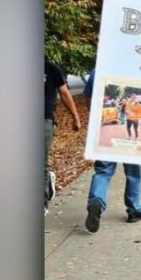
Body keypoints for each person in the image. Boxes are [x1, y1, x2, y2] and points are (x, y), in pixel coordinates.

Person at [83, 70, 141, 231]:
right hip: (130, 141)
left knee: (103, 171)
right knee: (133, 172)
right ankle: (134, 209)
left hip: (106, 133)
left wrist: (97, 119)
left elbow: (88, 100)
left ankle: (96, 201)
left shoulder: (96, 71)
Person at [45, 58, 81, 215]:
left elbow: (64, 93)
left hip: (44, 119)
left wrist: (76, 117)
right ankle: (48, 181)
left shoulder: (51, 69)